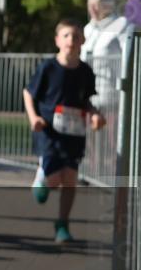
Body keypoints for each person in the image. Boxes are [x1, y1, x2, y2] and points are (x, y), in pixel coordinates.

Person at [23, 19, 105, 243]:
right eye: (67, 35)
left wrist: (95, 114)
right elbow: (29, 93)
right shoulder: (48, 68)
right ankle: (42, 178)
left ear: (83, 41)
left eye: (76, 36)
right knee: (53, 180)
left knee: (70, 178)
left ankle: (62, 224)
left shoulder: (86, 72)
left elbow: (86, 100)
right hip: (49, 130)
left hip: (74, 132)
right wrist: (34, 117)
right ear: (58, 40)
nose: (72, 40)